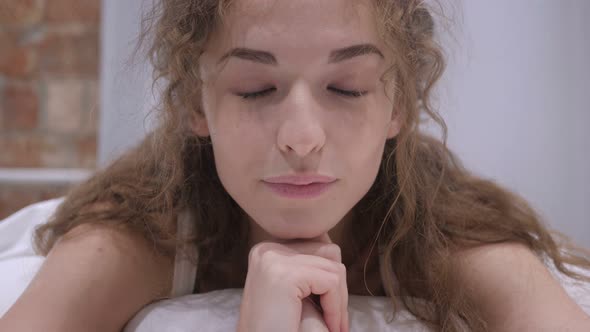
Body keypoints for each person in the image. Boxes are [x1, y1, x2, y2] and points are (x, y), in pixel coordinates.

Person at [1, 0, 589, 331]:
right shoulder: (134, 235)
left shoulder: (449, 235)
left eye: (348, 87)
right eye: (256, 88)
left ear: (400, 106)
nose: (302, 139)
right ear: (191, 104)